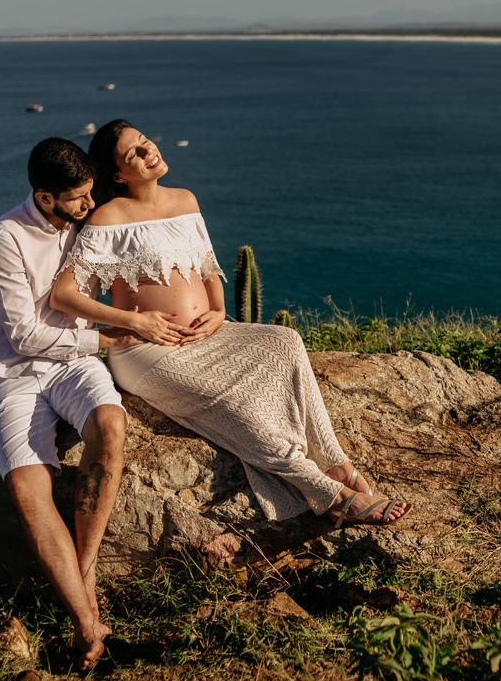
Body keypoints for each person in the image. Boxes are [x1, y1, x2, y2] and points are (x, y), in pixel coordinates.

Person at [49, 119, 411, 532]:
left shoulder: (184, 200)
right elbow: (65, 294)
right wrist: (133, 322)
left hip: (207, 334)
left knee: (286, 339)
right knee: (240, 405)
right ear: (117, 173)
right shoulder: (107, 217)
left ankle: (337, 466)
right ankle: (332, 494)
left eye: (146, 142)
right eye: (135, 153)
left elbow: (206, 265)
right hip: (146, 350)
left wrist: (219, 311)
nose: (150, 152)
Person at [0, 137, 188, 668]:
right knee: (29, 488)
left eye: (91, 192)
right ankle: (86, 620)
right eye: (74, 198)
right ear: (44, 196)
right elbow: (24, 336)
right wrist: (106, 339)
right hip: (17, 373)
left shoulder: (89, 222)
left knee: (111, 426)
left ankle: (86, 570)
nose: (86, 205)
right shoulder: (6, 236)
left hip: (74, 364)